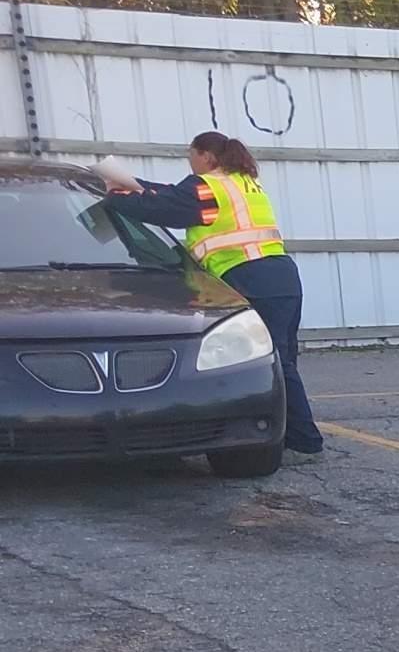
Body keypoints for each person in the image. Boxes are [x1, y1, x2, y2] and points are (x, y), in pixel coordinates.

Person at [100, 132, 323, 454]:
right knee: (283, 358)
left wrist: (115, 198)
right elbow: (170, 194)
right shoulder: (242, 182)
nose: (189, 163)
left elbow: (162, 208)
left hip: (249, 278)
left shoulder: (206, 187)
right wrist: (131, 182)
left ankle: (304, 439)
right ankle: (296, 434)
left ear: (206, 156)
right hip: (282, 278)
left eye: (190, 155)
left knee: (269, 362)